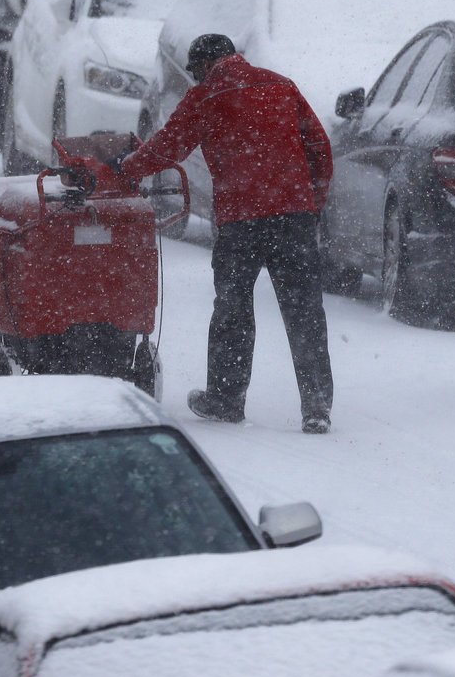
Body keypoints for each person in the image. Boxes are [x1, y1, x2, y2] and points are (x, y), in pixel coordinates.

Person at [115, 34, 334, 434]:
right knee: (304, 311)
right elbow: (319, 146)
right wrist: (311, 201)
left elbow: (168, 147)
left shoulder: (206, 96)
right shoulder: (281, 85)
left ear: (203, 65)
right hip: (294, 216)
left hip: (241, 221)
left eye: (196, 71)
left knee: (233, 310)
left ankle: (227, 398)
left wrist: (124, 169)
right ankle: (317, 406)